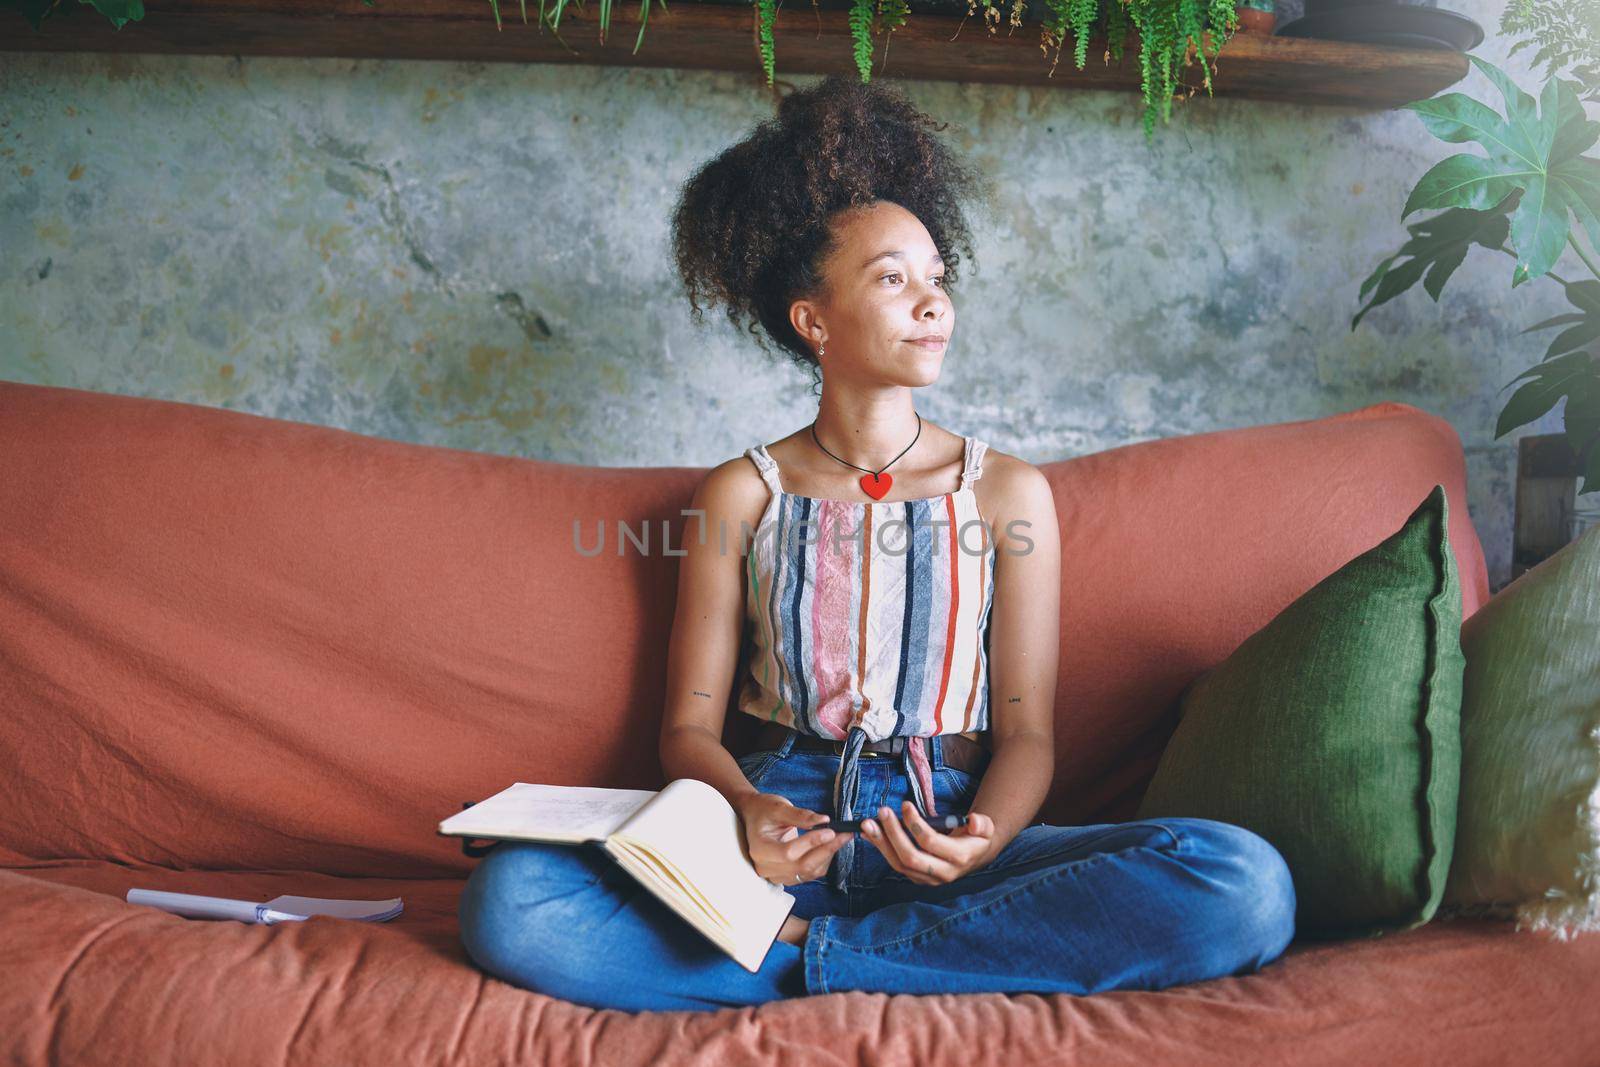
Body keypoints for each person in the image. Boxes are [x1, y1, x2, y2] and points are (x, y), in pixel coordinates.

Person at [457, 74, 1297, 1014]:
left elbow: (1026, 736)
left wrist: (982, 837)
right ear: (813, 322)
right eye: (892, 278)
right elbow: (687, 729)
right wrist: (749, 812)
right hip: (776, 837)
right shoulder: (740, 493)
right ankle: (897, 957)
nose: (932, 301)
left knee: (1244, 884)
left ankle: (806, 958)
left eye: (937, 277)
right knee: (512, 899)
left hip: (945, 833)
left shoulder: (1008, 492)